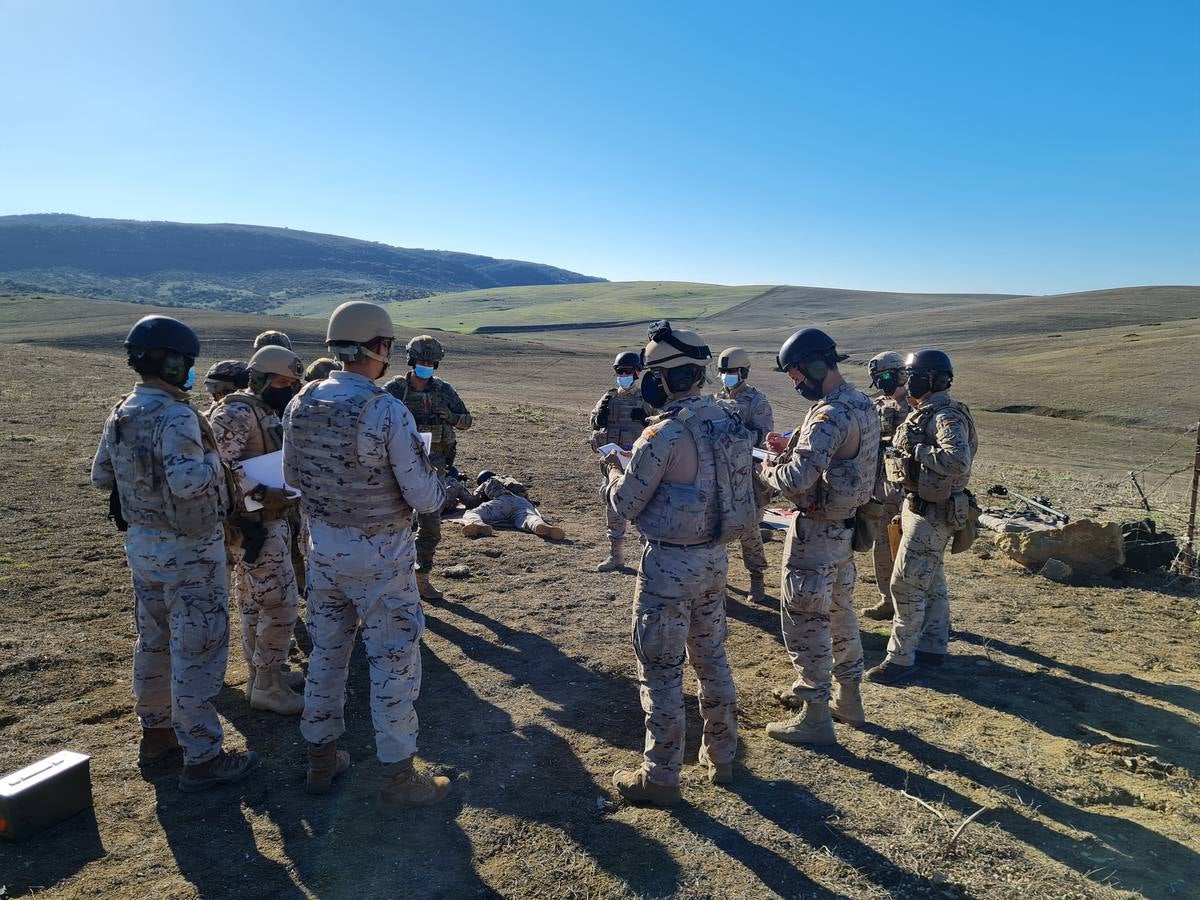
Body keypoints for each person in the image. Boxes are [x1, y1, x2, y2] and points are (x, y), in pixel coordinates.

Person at [283, 301, 449, 804]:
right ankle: (399, 775)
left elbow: (291, 478)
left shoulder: (302, 401)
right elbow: (422, 496)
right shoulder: (385, 409)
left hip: (324, 549)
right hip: (380, 556)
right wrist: (441, 490)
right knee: (393, 658)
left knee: (327, 655)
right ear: (379, 347)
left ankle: (320, 759)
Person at [91, 315, 259, 791]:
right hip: (190, 551)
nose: (189, 370)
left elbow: (100, 476)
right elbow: (189, 483)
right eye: (186, 362)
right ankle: (202, 756)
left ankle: (156, 734)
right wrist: (215, 459)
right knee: (199, 650)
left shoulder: (122, 411)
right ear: (171, 361)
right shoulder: (178, 415)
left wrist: (141, 482)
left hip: (143, 545)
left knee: (154, 641)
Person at [603, 321, 738, 805]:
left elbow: (625, 504)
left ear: (661, 379)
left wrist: (615, 473)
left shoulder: (663, 433)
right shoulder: (728, 422)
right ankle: (722, 754)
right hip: (716, 560)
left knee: (660, 668)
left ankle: (659, 777)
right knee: (711, 657)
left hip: (669, 567)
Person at [758, 328, 879, 746]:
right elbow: (840, 451)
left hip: (817, 533)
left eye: (796, 375)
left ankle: (815, 716)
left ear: (813, 365)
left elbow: (798, 477)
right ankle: (849, 698)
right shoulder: (861, 403)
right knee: (840, 613)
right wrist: (793, 442)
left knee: (805, 619)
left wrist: (769, 467)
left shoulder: (828, 414)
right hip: (845, 531)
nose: (796, 384)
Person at [866, 349, 977, 685]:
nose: (906, 381)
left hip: (932, 511)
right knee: (932, 584)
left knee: (906, 584)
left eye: (912, 375)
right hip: (922, 505)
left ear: (929, 378)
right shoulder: (929, 411)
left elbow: (958, 460)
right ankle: (932, 648)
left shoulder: (944, 416)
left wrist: (916, 450)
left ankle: (900, 658)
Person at [208, 345, 305, 715]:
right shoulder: (236, 413)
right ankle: (267, 685)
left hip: (264, 523)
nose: (289, 388)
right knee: (280, 605)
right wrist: (265, 493)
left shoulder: (258, 410)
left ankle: (264, 673)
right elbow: (217, 468)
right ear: (262, 379)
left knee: (254, 603)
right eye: (283, 382)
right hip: (254, 526)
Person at [383, 335, 472, 601]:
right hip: (397, 468)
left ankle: (422, 577)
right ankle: (393, 579)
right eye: (422, 361)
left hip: (434, 470)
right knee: (394, 524)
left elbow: (467, 421)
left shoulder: (444, 391)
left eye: (431, 362)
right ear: (411, 360)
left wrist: (452, 417)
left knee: (431, 525)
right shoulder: (395, 390)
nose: (426, 366)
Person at [714, 347, 774, 603]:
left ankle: (757, 580)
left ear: (743, 372)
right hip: (720, 474)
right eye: (724, 372)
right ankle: (717, 581)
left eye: (731, 372)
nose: (727, 376)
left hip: (746, 476)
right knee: (717, 529)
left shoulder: (757, 402)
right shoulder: (716, 400)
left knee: (749, 531)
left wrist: (735, 438)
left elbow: (764, 436)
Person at [589, 351, 652, 572]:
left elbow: (661, 424)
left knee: (645, 514)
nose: (623, 375)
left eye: (627, 371)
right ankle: (616, 557)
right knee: (613, 511)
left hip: (639, 467)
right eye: (619, 372)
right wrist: (598, 418)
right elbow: (594, 422)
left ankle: (648, 560)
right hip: (614, 466)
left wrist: (646, 419)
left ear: (637, 372)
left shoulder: (647, 399)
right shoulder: (609, 398)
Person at [861, 351, 912, 621]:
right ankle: (887, 599)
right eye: (877, 379)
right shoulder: (876, 405)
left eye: (885, 377)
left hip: (908, 489)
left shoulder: (915, 405)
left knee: (907, 550)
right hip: (881, 487)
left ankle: (910, 605)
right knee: (882, 545)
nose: (882, 383)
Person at [458, 470, 566, 540]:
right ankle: (538, 525)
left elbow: (472, 501)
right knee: (528, 518)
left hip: (503, 501)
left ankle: (478, 524)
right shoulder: (510, 479)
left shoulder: (488, 481)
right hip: (523, 502)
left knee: (472, 513)